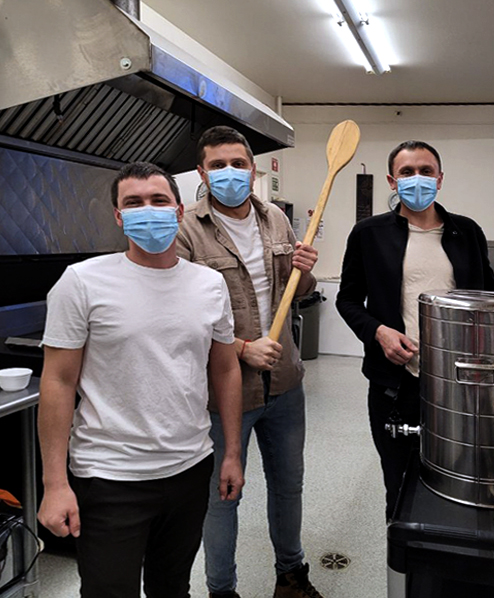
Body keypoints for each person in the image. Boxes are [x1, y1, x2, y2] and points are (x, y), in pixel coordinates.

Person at [337, 140, 494, 519]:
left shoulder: (464, 232)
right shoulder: (369, 234)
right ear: (391, 180)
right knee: (400, 487)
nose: (416, 179)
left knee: (458, 486)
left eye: (425, 171)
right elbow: (348, 299)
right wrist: (378, 332)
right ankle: (401, 568)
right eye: (406, 172)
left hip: (462, 387)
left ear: (439, 178)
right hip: (397, 385)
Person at [36, 162, 245, 598]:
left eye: (158, 200)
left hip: (189, 469)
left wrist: (232, 454)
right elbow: (57, 381)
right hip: (110, 476)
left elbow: (225, 369)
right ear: (118, 216)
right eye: (133, 203)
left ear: (179, 209)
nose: (146, 210)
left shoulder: (209, 284)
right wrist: (55, 484)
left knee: (173, 587)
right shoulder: (82, 282)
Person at [176, 126, 325, 598]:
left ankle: (291, 576)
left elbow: (297, 294)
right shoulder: (185, 230)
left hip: (284, 382)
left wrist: (306, 270)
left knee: (289, 486)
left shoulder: (276, 220)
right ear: (202, 172)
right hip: (223, 391)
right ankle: (222, 590)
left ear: (253, 169)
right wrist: (242, 348)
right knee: (224, 497)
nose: (230, 173)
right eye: (217, 165)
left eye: (238, 164)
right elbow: (179, 316)